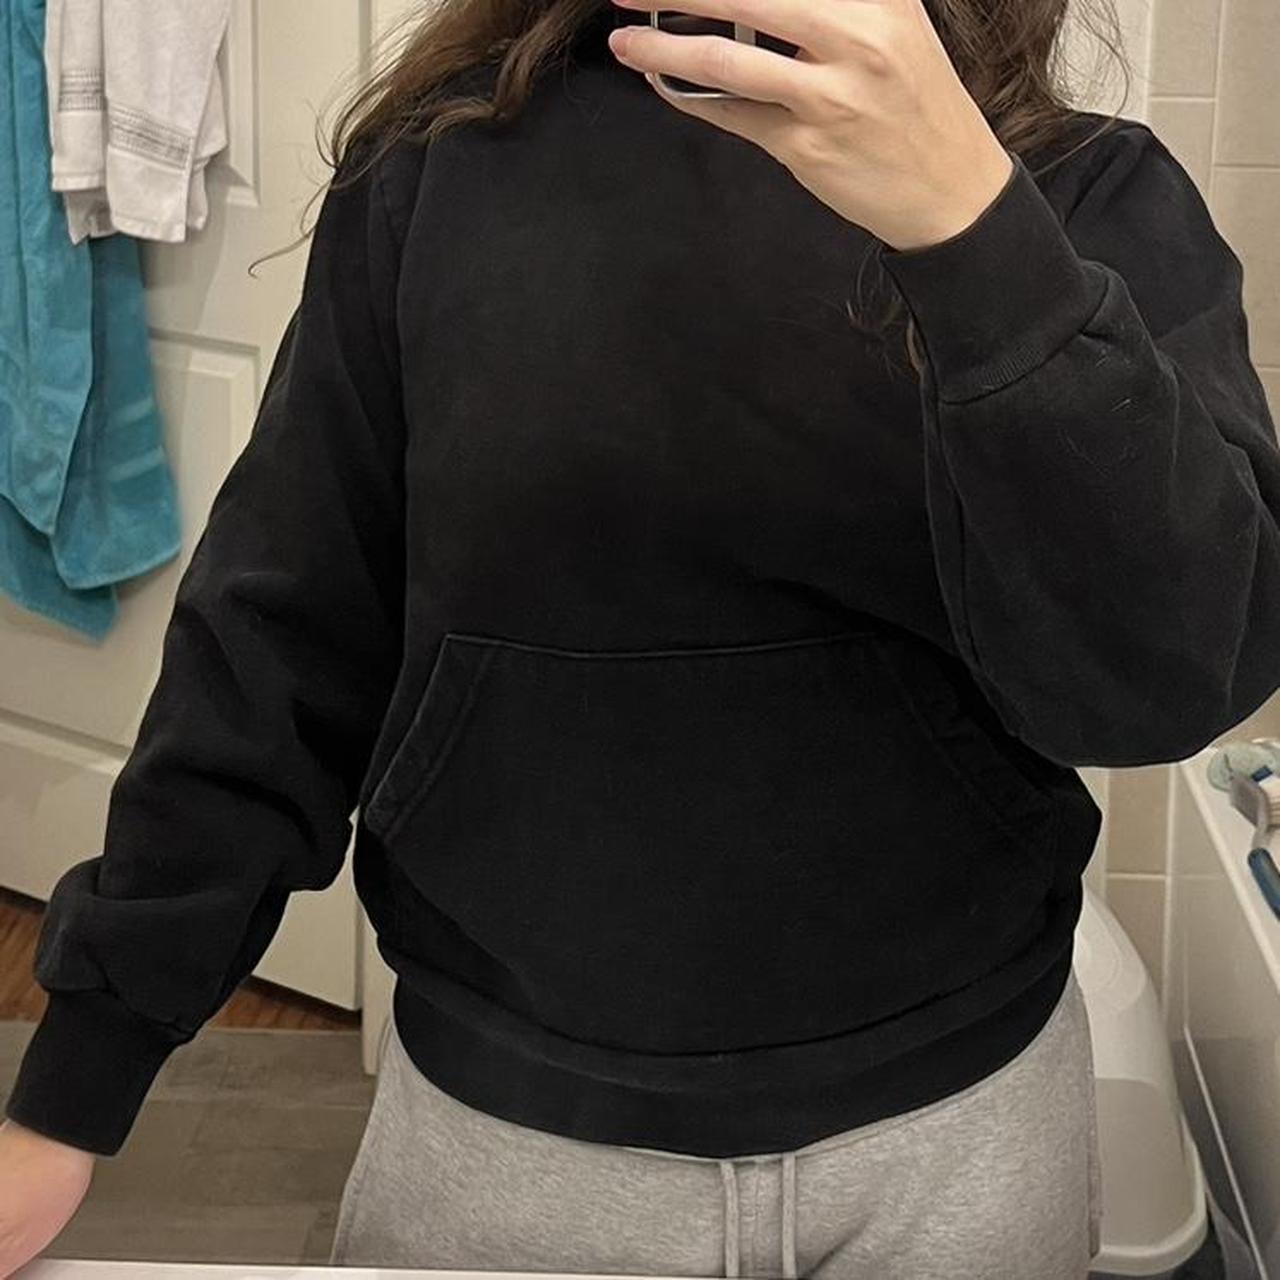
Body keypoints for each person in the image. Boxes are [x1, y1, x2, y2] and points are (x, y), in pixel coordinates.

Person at [4, 0, 1280, 1276]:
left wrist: (972, 235)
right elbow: (277, 639)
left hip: (957, 1136)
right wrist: (81, 1069)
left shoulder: (1076, 189)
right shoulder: (433, 172)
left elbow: (1171, 678)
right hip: (508, 1141)